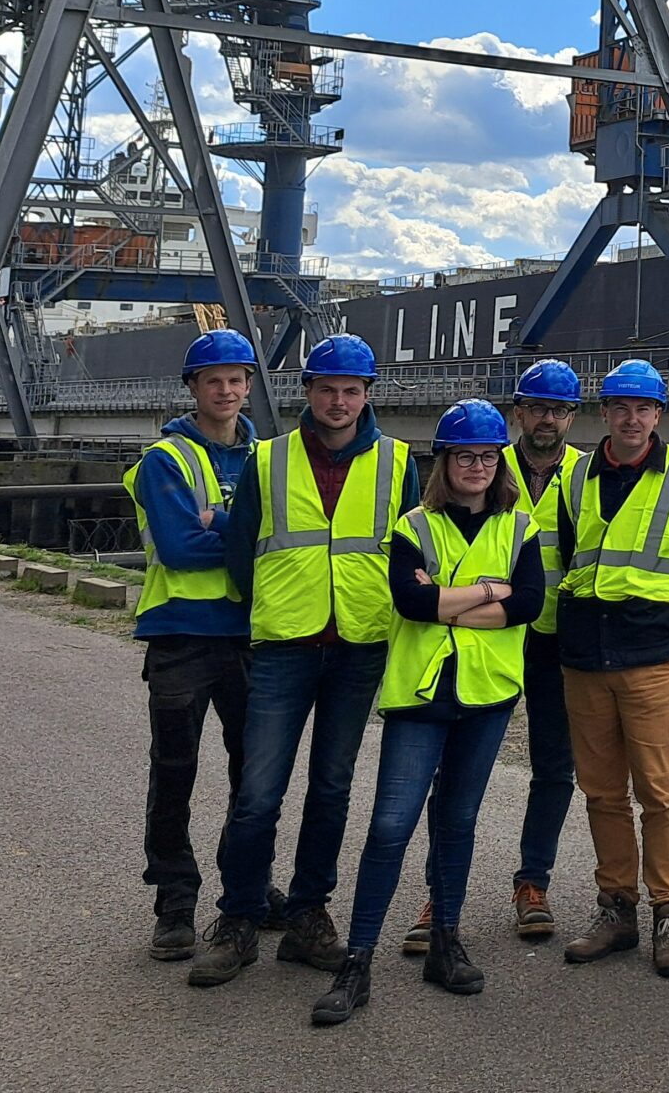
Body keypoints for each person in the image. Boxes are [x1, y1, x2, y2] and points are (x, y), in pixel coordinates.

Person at [191, 332, 418, 989]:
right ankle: (237, 918)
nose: (340, 402)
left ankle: (308, 914)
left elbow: (411, 550)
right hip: (285, 647)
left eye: (351, 391)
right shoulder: (269, 460)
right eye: (328, 389)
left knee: (331, 790)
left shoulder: (399, 462)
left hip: (359, 646)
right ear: (308, 393)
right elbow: (240, 553)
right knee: (258, 794)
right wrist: (271, 604)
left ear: (367, 395)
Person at [311, 401, 545, 1026]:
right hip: (421, 694)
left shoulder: (519, 527)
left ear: (500, 465)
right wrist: (486, 592)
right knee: (391, 825)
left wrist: (454, 600)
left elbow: (527, 602)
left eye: (488, 457)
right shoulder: (415, 524)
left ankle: (445, 942)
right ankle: (356, 962)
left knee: (458, 822)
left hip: (487, 694)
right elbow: (411, 603)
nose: (477, 466)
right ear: (444, 461)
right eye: (465, 456)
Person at [400, 355, 584, 956]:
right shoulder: (483, 465)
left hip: (557, 636)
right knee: (453, 779)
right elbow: (417, 583)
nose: (547, 420)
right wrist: (483, 602)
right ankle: (440, 895)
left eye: (558, 410)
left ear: (571, 417)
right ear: (517, 414)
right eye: (536, 408)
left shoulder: (585, 475)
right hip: (481, 640)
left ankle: (533, 883)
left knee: (555, 767)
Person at [551, 357, 669, 978]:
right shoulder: (575, 478)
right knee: (601, 792)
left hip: (649, 655)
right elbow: (568, 554)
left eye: (643, 408)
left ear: (658, 415)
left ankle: (668, 914)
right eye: (620, 407)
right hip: (585, 654)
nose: (632, 418)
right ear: (605, 413)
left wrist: (667, 611)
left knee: (659, 790)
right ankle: (615, 908)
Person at [125, 328, 258, 962]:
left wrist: (220, 524)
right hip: (180, 635)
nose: (226, 390)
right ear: (193, 388)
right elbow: (178, 548)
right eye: (214, 381)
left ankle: (245, 894)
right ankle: (174, 901)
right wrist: (245, 537)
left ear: (249, 386)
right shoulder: (167, 460)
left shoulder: (267, 458)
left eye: (236, 380)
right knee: (175, 771)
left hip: (251, 637)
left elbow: (278, 541)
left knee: (252, 777)